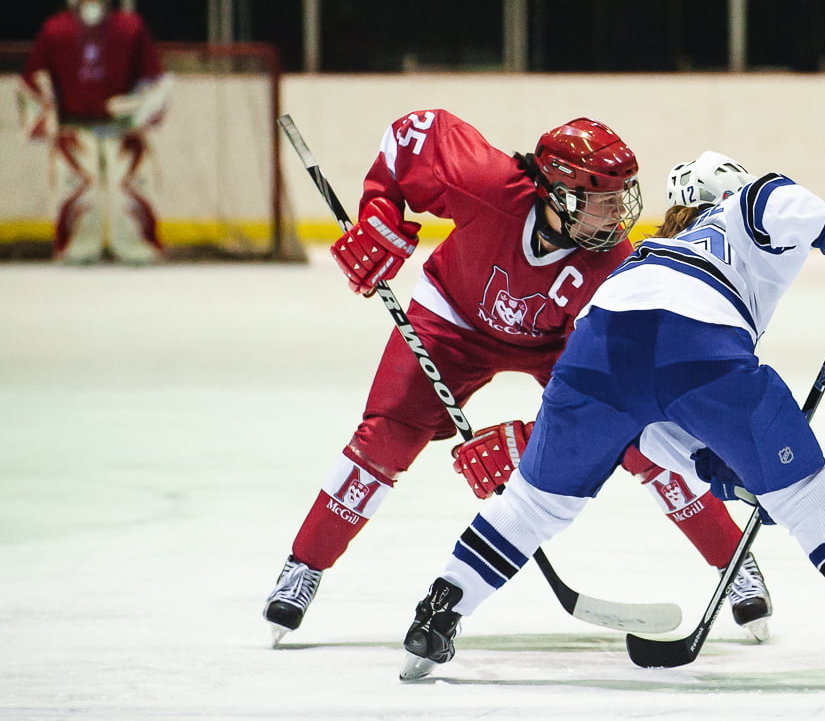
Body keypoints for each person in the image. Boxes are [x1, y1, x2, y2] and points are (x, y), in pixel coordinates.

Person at [399, 151, 825, 687]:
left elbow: (646, 426)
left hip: (598, 344)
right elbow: (775, 196)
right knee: (804, 497)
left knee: (533, 505)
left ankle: (437, 614)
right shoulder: (741, 210)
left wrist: (708, 461)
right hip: (701, 345)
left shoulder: (647, 254)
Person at [262, 115, 773, 645]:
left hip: (558, 347)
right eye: (600, 199)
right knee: (385, 437)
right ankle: (304, 566)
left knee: (645, 443)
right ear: (557, 194)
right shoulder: (485, 184)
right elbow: (407, 139)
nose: (617, 213)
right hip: (452, 318)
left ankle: (734, 563)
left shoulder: (613, 270)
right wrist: (380, 213)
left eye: (620, 197)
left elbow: (612, 397)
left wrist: (525, 441)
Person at [18, 0, 171, 264]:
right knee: (76, 191)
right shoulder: (55, 31)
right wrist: (45, 114)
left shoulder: (130, 28)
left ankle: (135, 246)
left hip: (122, 129)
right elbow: (34, 78)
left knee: (130, 190)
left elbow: (152, 78)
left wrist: (137, 107)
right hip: (73, 128)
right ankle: (77, 247)